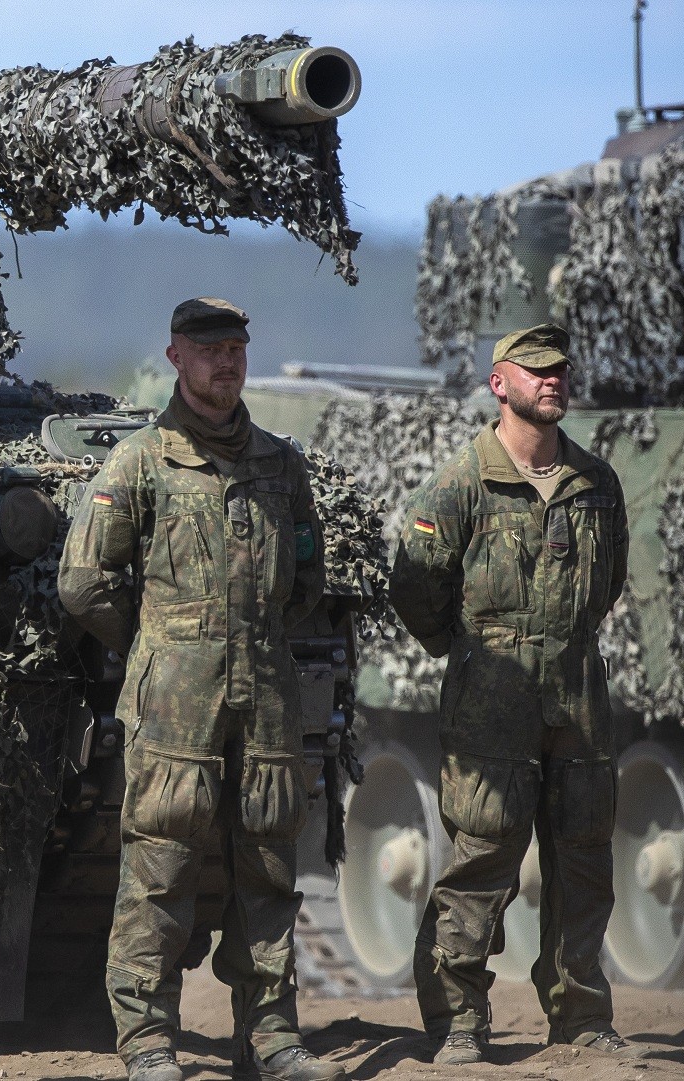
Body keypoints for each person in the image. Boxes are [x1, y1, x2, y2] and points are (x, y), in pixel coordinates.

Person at [59, 298, 344, 1081]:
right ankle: (147, 1039)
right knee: (160, 865)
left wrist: (242, 635)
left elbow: (305, 578)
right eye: (210, 348)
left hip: (266, 694)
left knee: (268, 868)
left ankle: (272, 1036)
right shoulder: (141, 460)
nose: (227, 361)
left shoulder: (280, 464)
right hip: (173, 699)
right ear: (175, 356)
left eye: (236, 349)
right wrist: (159, 643)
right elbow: (84, 582)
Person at [390, 322, 653, 1064]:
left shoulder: (594, 483)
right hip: (490, 702)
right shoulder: (460, 482)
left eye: (560, 371)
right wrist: (474, 654)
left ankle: (578, 1015)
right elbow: (414, 588)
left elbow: (605, 586)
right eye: (534, 371)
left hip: (576, 697)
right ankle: (457, 1019)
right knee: (480, 856)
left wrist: (556, 643)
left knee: (581, 857)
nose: (553, 381)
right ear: (497, 384)